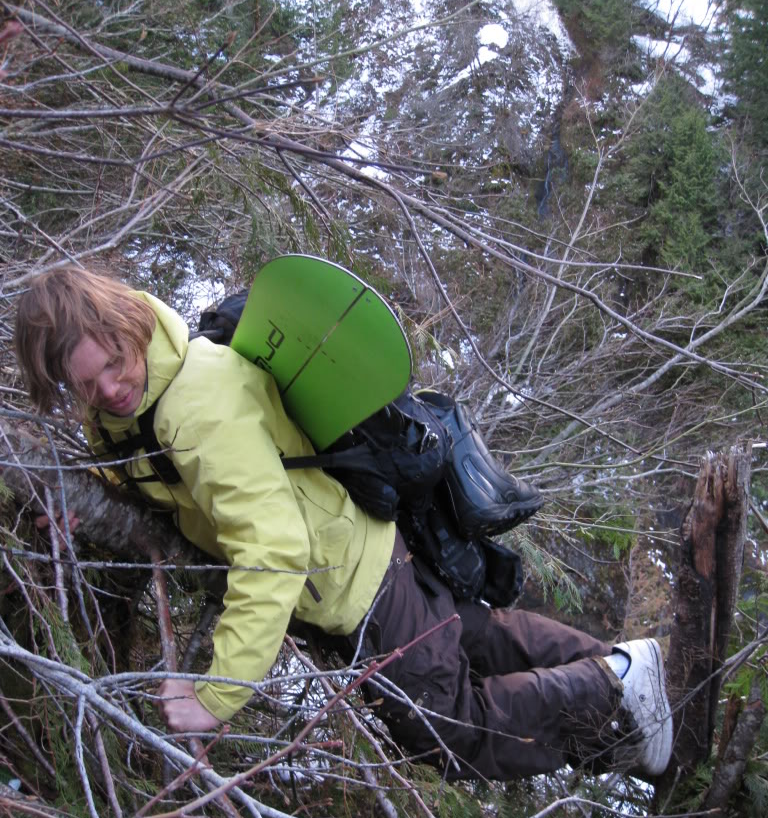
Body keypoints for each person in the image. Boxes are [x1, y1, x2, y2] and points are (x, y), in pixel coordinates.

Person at [14, 265, 674, 780]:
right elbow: (152, 468)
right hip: (360, 553)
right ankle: (620, 673)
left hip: (354, 577)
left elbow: (271, 547)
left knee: (442, 726)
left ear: (130, 324)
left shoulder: (197, 408)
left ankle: (612, 693)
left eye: (113, 365)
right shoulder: (128, 409)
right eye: (86, 384)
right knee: (468, 638)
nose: (108, 390)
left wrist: (220, 692)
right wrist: (93, 500)